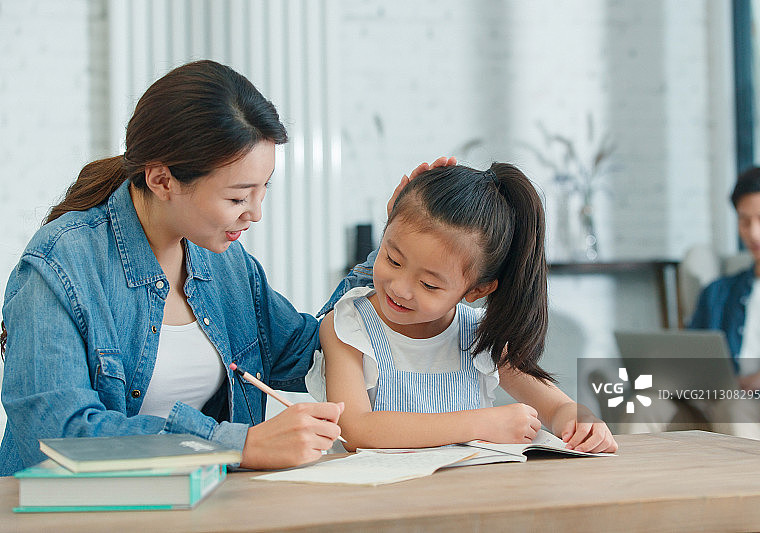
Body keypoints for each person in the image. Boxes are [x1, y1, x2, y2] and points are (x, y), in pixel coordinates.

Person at [0, 59, 446, 476]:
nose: (254, 213)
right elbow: (57, 435)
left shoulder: (224, 262)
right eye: (237, 197)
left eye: (262, 189)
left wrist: (394, 253)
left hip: (199, 510)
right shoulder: (62, 265)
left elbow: (315, 350)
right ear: (162, 180)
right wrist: (237, 444)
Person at [307, 163, 618, 453]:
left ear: (476, 290)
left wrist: (578, 420)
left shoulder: (479, 334)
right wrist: (481, 423)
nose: (400, 288)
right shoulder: (348, 326)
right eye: (392, 259)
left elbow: (557, 407)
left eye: (429, 284)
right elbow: (355, 430)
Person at [624, 166, 760, 443]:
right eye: (744, 221)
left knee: (733, 408)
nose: (754, 233)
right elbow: (691, 352)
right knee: (645, 404)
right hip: (707, 401)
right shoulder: (718, 292)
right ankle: (624, 484)